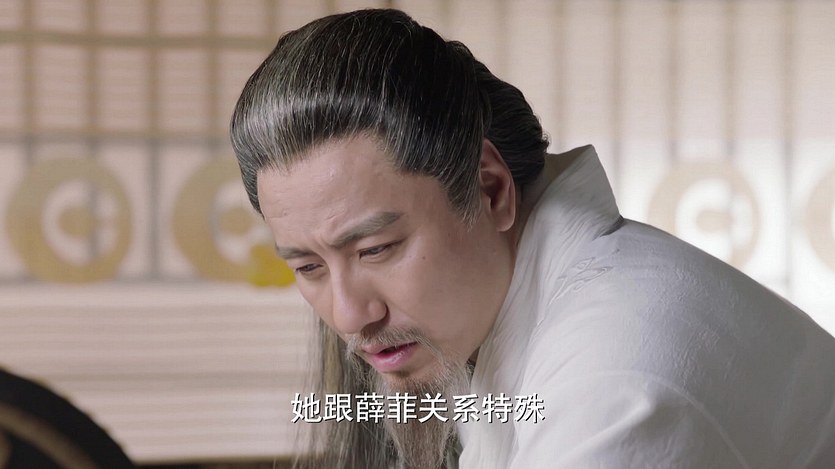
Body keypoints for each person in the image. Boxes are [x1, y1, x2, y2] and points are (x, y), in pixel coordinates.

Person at [229, 8, 835, 469]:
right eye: (308, 267)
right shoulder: (493, 322)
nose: (348, 315)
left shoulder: (613, 387)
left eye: (376, 249)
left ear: (491, 189)